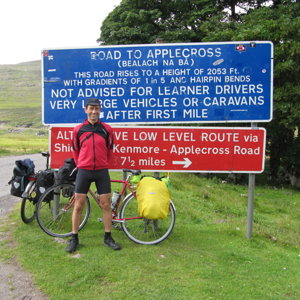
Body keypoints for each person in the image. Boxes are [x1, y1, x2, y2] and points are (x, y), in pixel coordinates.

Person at [65, 97, 121, 252]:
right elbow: (75, 150)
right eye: (91, 108)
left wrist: (103, 163)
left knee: (105, 204)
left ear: (100, 110)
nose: (94, 112)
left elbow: (110, 150)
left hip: (102, 171)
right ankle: (74, 238)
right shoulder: (78, 130)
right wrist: (82, 164)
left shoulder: (107, 129)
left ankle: (108, 237)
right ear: (86, 110)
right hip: (84, 171)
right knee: (78, 205)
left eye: (97, 109)